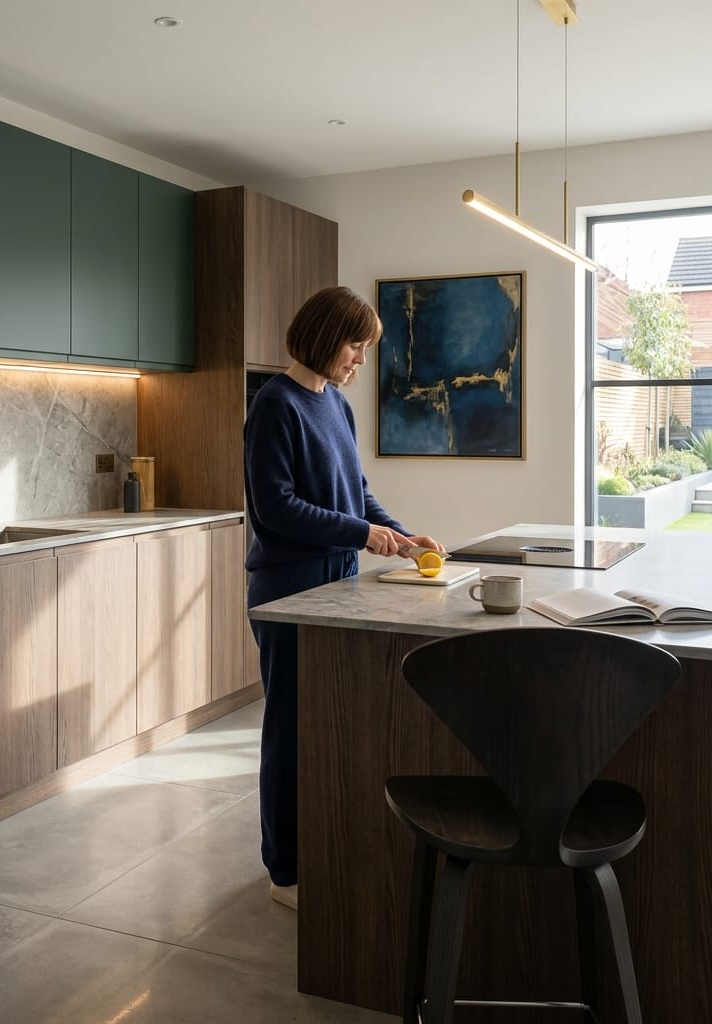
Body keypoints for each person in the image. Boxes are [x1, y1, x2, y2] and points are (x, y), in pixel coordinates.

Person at [243, 285, 443, 911]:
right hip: (288, 590)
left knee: (328, 725)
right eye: (356, 345)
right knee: (290, 729)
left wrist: (401, 537)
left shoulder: (337, 405)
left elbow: (357, 493)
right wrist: (362, 533)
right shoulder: (274, 404)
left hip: (338, 583)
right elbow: (276, 508)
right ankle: (285, 873)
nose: (360, 359)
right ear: (326, 337)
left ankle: (321, 848)